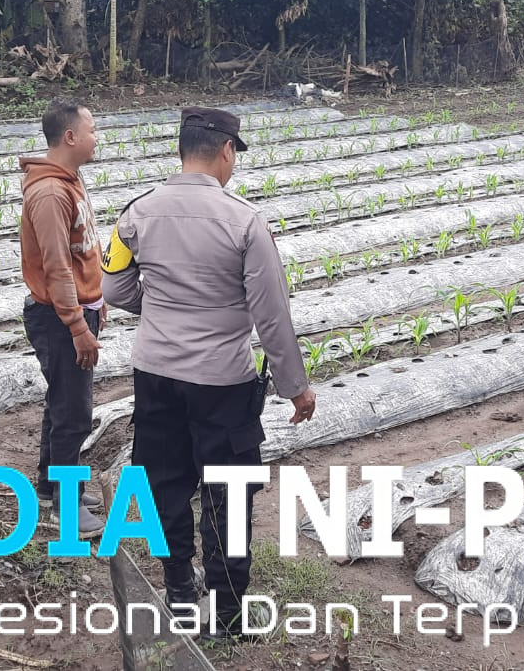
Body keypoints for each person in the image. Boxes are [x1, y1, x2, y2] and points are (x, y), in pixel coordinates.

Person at [102, 106, 317, 642]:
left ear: (182, 149)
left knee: (164, 480)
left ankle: (178, 585)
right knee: (228, 490)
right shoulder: (245, 222)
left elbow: (114, 289)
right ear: (225, 151)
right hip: (222, 381)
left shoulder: (135, 214)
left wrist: (162, 312)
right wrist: (295, 387)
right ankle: (225, 614)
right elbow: (271, 314)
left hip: (155, 372)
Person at [20, 98, 106, 538]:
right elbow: (56, 267)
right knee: (74, 413)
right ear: (70, 137)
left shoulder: (69, 181)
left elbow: (81, 251)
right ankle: (66, 511)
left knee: (62, 402)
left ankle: (50, 486)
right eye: (92, 131)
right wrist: (77, 325)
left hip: (73, 309)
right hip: (58, 317)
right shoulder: (51, 193)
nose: (97, 139)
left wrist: (97, 297)